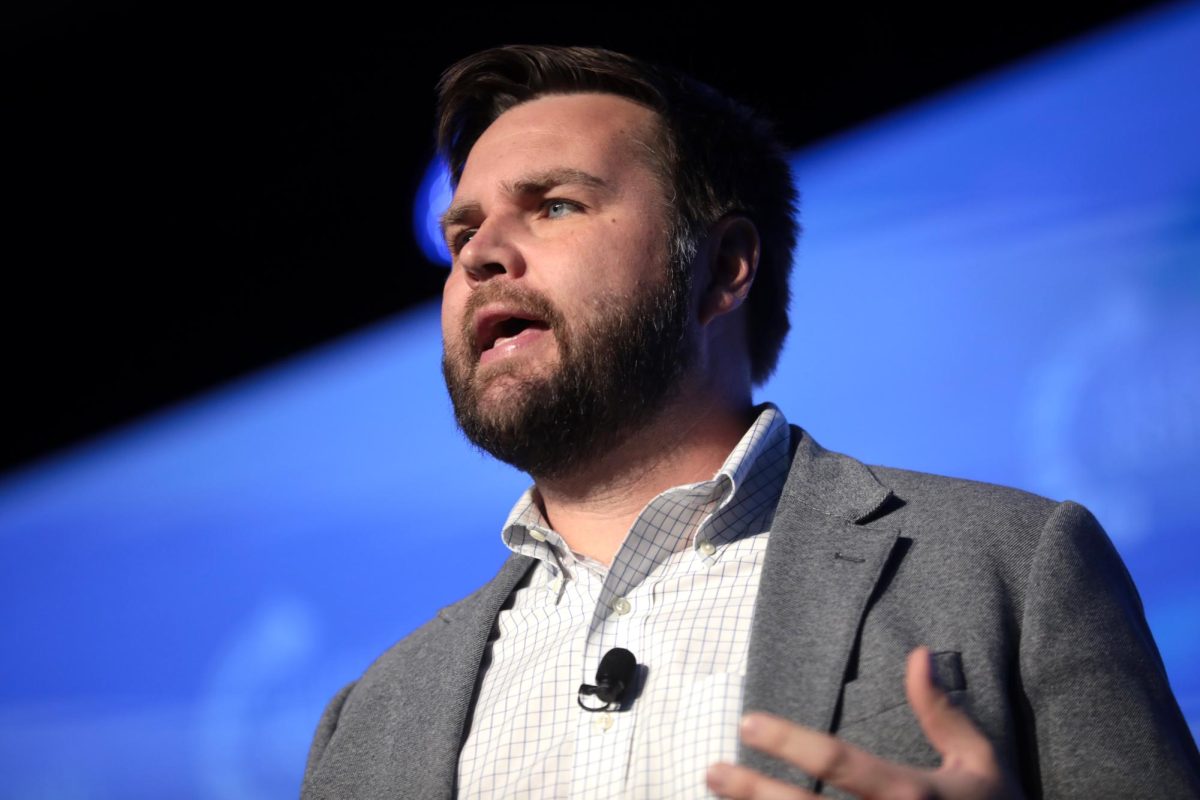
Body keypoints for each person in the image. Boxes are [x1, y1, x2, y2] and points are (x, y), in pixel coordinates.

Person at [301, 45, 1200, 799]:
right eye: (463, 236)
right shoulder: (371, 719)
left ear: (725, 267)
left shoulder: (1013, 561)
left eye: (556, 206)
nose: (484, 256)